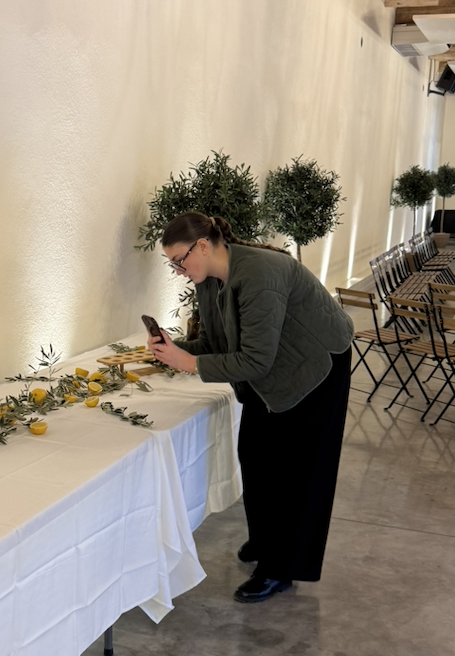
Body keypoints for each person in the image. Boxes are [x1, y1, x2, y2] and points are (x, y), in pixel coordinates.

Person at [147, 211, 354, 604]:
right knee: (255, 454)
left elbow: (256, 360)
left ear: (203, 246)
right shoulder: (208, 281)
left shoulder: (260, 273)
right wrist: (173, 351)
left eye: (179, 261)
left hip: (316, 366)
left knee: (296, 473)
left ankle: (281, 568)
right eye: (171, 264)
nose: (177, 271)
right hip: (272, 368)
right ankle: (265, 541)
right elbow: (216, 345)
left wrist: (187, 364)